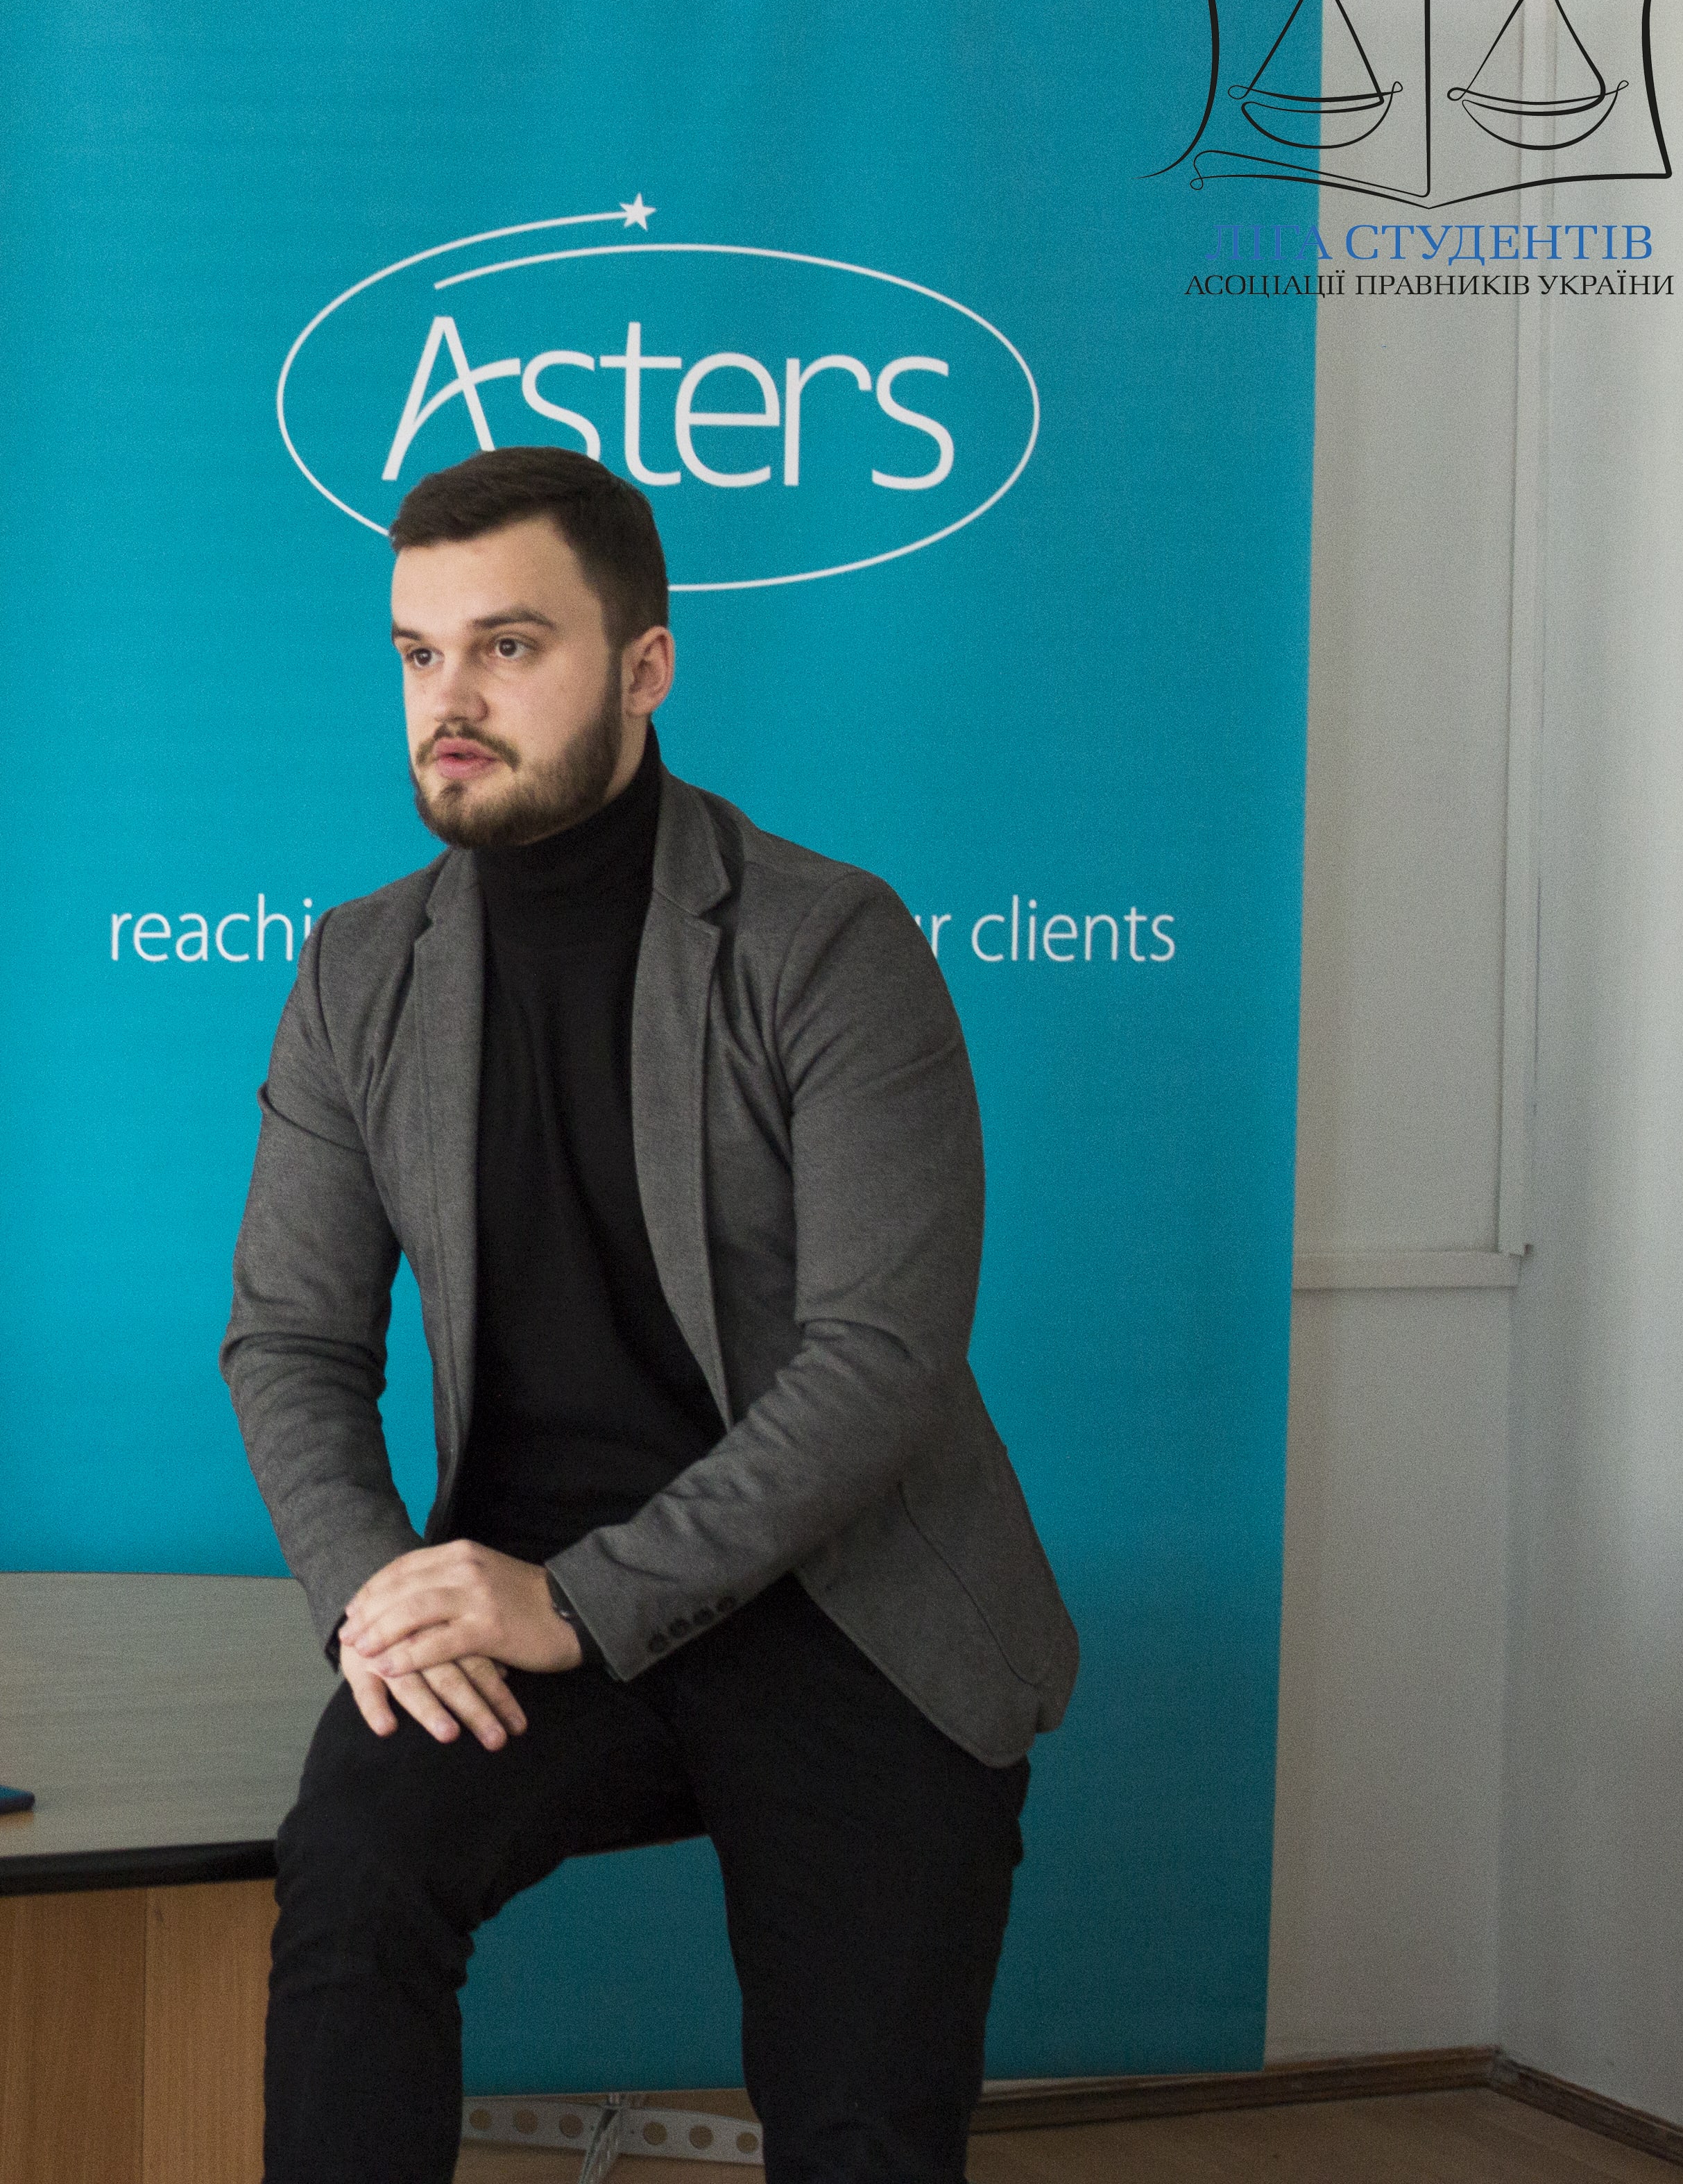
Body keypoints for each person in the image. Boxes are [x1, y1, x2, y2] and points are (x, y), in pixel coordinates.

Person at [220, 445, 1079, 2184]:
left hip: (844, 1599)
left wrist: (581, 1603)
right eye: (419, 654)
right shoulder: (357, 971)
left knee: (860, 2130)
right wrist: (379, 1600)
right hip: (514, 1592)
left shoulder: (826, 942)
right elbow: (291, 1341)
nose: (450, 703)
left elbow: (879, 1364)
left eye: (508, 647)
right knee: (354, 1886)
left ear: (645, 665)